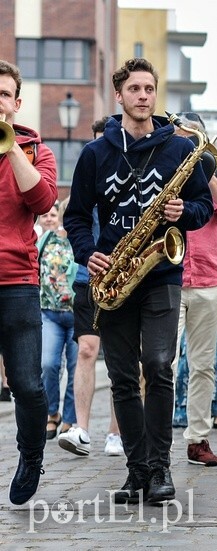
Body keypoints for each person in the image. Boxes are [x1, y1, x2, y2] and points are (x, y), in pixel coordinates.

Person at [64, 57, 213, 503]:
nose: (143, 96)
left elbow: (203, 206)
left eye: (149, 88)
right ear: (120, 95)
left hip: (162, 273)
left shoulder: (180, 150)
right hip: (114, 274)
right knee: (125, 377)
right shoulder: (95, 153)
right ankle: (136, 470)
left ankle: (161, 468)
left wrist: (182, 213)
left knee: (159, 365)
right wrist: (87, 253)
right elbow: (75, 215)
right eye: (135, 89)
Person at [171, 112, 217, 467]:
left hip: (209, 278)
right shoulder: (162, 166)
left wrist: (208, 168)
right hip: (165, 277)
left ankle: (197, 439)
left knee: (203, 365)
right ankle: (149, 440)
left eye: (190, 139)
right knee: (161, 363)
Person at [0, 59, 58, 505]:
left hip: (17, 280)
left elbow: (41, 201)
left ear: (16, 104)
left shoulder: (38, 150)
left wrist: (11, 146)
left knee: (28, 384)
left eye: (3, 95)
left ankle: (31, 454)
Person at [58, 117, 125, 458]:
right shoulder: (88, 171)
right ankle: (81, 428)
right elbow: (73, 222)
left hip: (125, 278)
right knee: (86, 350)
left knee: (120, 357)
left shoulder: (127, 176)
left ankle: (116, 432)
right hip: (88, 276)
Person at [37, 200, 78, 440]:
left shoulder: (81, 240)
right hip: (49, 313)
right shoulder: (45, 240)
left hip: (76, 314)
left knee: (76, 369)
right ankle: (52, 412)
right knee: (48, 364)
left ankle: (70, 419)